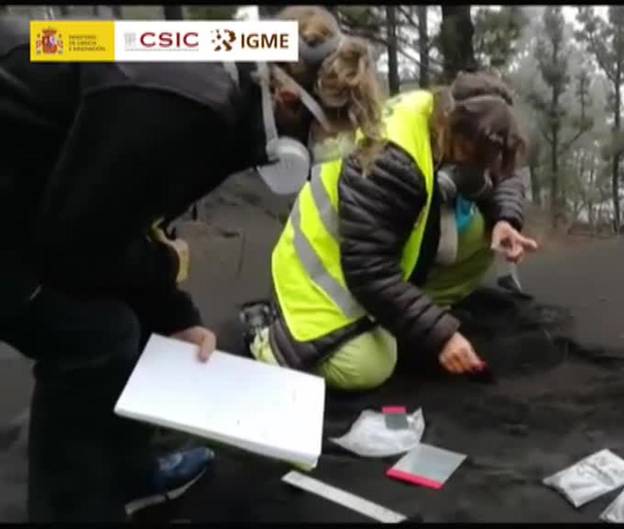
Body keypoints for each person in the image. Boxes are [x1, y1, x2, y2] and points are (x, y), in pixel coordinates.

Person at [0, 6, 382, 521]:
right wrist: (161, 274)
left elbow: (118, 209)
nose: (317, 148)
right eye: (321, 133)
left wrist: (173, 313)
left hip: (31, 175)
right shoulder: (186, 104)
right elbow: (74, 245)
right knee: (95, 334)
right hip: (21, 194)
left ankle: (128, 471)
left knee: (130, 313)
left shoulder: (217, 75)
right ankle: (72, 509)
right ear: (289, 97)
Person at [249, 71, 539, 391]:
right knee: (369, 366)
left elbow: (503, 174)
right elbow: (368, 271)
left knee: (483, 235)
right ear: (455, 130)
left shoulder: (444, 109)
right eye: (474, 158)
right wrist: (441, 336)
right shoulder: (394, 160)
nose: (477, 170)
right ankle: (268, 340)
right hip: (320, 273)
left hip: (372, 248)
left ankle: (413, 314)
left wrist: (505, 221)